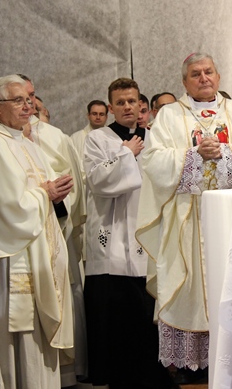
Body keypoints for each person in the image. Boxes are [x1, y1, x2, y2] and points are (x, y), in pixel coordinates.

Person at [136, 53, 232, 377]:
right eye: (195, 74)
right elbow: (153, 160)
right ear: (184, 82)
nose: (203, 78)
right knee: (190, 287)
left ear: (218, 77)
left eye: (208, 71)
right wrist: (194, 155)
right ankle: (194, 372)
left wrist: (225, 152)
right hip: (187, 219)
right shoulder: (169, 115)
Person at [0, 75, 75, 388]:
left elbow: (43, 191)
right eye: (18, 100)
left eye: (28, 100)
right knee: (13, 334)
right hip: (9, 255)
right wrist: (45, 193)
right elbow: (5, 204)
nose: (27, 106)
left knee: (35, 336)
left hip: (37, 248)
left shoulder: (25, 141)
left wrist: (56, 192)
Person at [83, 78, 174, 388]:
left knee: (147, 318)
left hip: (149, 234)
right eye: (120, 102)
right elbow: (98, 182)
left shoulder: (156, 138)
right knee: (117, 319)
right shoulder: (98, 138)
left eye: (132, 101)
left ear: (141, 105)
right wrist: (126, 154)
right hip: (113, 239)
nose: (127, 107)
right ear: (110, 107)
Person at [26, 97, 87, 387]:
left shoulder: (54, 136)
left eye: (30, 98)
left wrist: (58, 202)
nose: (27, 105)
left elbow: (73, 183)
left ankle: (65, 371)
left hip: (55, 227)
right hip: (18, 236)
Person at [71, 100, 109, 173]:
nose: (98, 117)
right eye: (94, 114)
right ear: (88, 115)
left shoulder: (113, 137)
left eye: (101, 114)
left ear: (106, 117)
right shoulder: (75, 138)